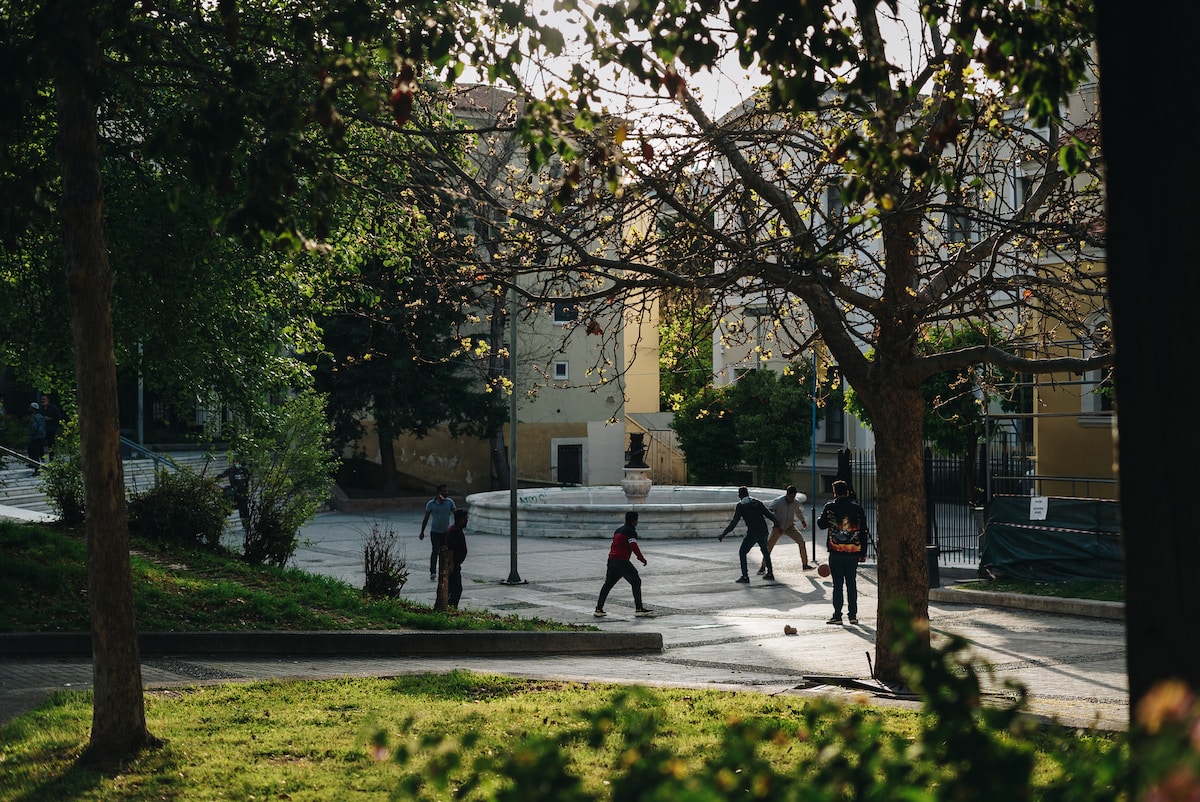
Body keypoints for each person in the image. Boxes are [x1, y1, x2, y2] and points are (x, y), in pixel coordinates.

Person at [818, 479, 870, 625]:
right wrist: (863, 552)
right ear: (847, 492)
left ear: (835, 492)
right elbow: (863, 531)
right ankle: (853, 615)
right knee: (851, 583)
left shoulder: (830, 507)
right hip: (853, 552)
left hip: (836, 552)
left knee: (838, 584)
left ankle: (837, 615)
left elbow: (821, 525)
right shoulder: (857, 509)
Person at [594, 511, 652, 617]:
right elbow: (633, 545)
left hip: (611, 560)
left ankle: (599, 608)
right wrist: (641, 558)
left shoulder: (618, 530)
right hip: (621, 560)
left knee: (608, 584)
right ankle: (639, 608)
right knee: (636, 581)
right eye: (637, 520)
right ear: (635, 521)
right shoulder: (630, 531)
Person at [719, 486, 778, 583]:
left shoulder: (741, 506)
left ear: (739, 495)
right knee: (765, 551)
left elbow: (734, 522)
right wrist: (777, 523)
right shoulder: (757, 502)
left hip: (752, 533)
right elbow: (768, 514)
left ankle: (745, 576)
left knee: (742, 552)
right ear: (747, 494)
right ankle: (770, 573)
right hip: (763, 531)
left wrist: (724, 533)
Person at [757, 484, 812, 574]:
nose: (791, 499)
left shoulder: (795, 502)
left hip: (790, 527)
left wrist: (802, 521)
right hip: (778, 527)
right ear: (787, 494)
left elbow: (798, 512)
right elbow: (769, 511)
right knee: (769, 546)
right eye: (790, 496)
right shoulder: (778, 502)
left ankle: (805, 564)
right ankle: (763, 566)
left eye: (793, 497)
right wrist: (777, 524)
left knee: (801, 542)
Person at [419, 485, 456, 582]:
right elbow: (426, 518)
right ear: (439, 493)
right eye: (444, 491)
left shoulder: (450, 502)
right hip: (435, 532)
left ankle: (445, 570)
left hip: (446, 532)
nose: (446, 493)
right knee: (435, 551)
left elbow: (455, 514)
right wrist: (422, 531)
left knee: (446, 552)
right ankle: (433, 572)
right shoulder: (431, 504)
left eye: (447, 491)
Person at [442, 509, 470, 609]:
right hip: (453, 564)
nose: (467, 521)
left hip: (456, 563)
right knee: (455, 589)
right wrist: (451, 564)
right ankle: (451, 607)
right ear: (461, 520)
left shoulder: (456, 530)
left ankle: (452, 606)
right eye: (466, 519)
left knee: (455, 588)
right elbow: (450, 549)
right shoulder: (454, 531)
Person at [27, 402, 45, 475]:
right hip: (41, 436)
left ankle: (36, 469)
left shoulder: (34, 417)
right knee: (38, 451)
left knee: (34, 453)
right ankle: (37, 466)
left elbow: (34, 427)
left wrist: (31, 435)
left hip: (35, 437)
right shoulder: (40, 416)